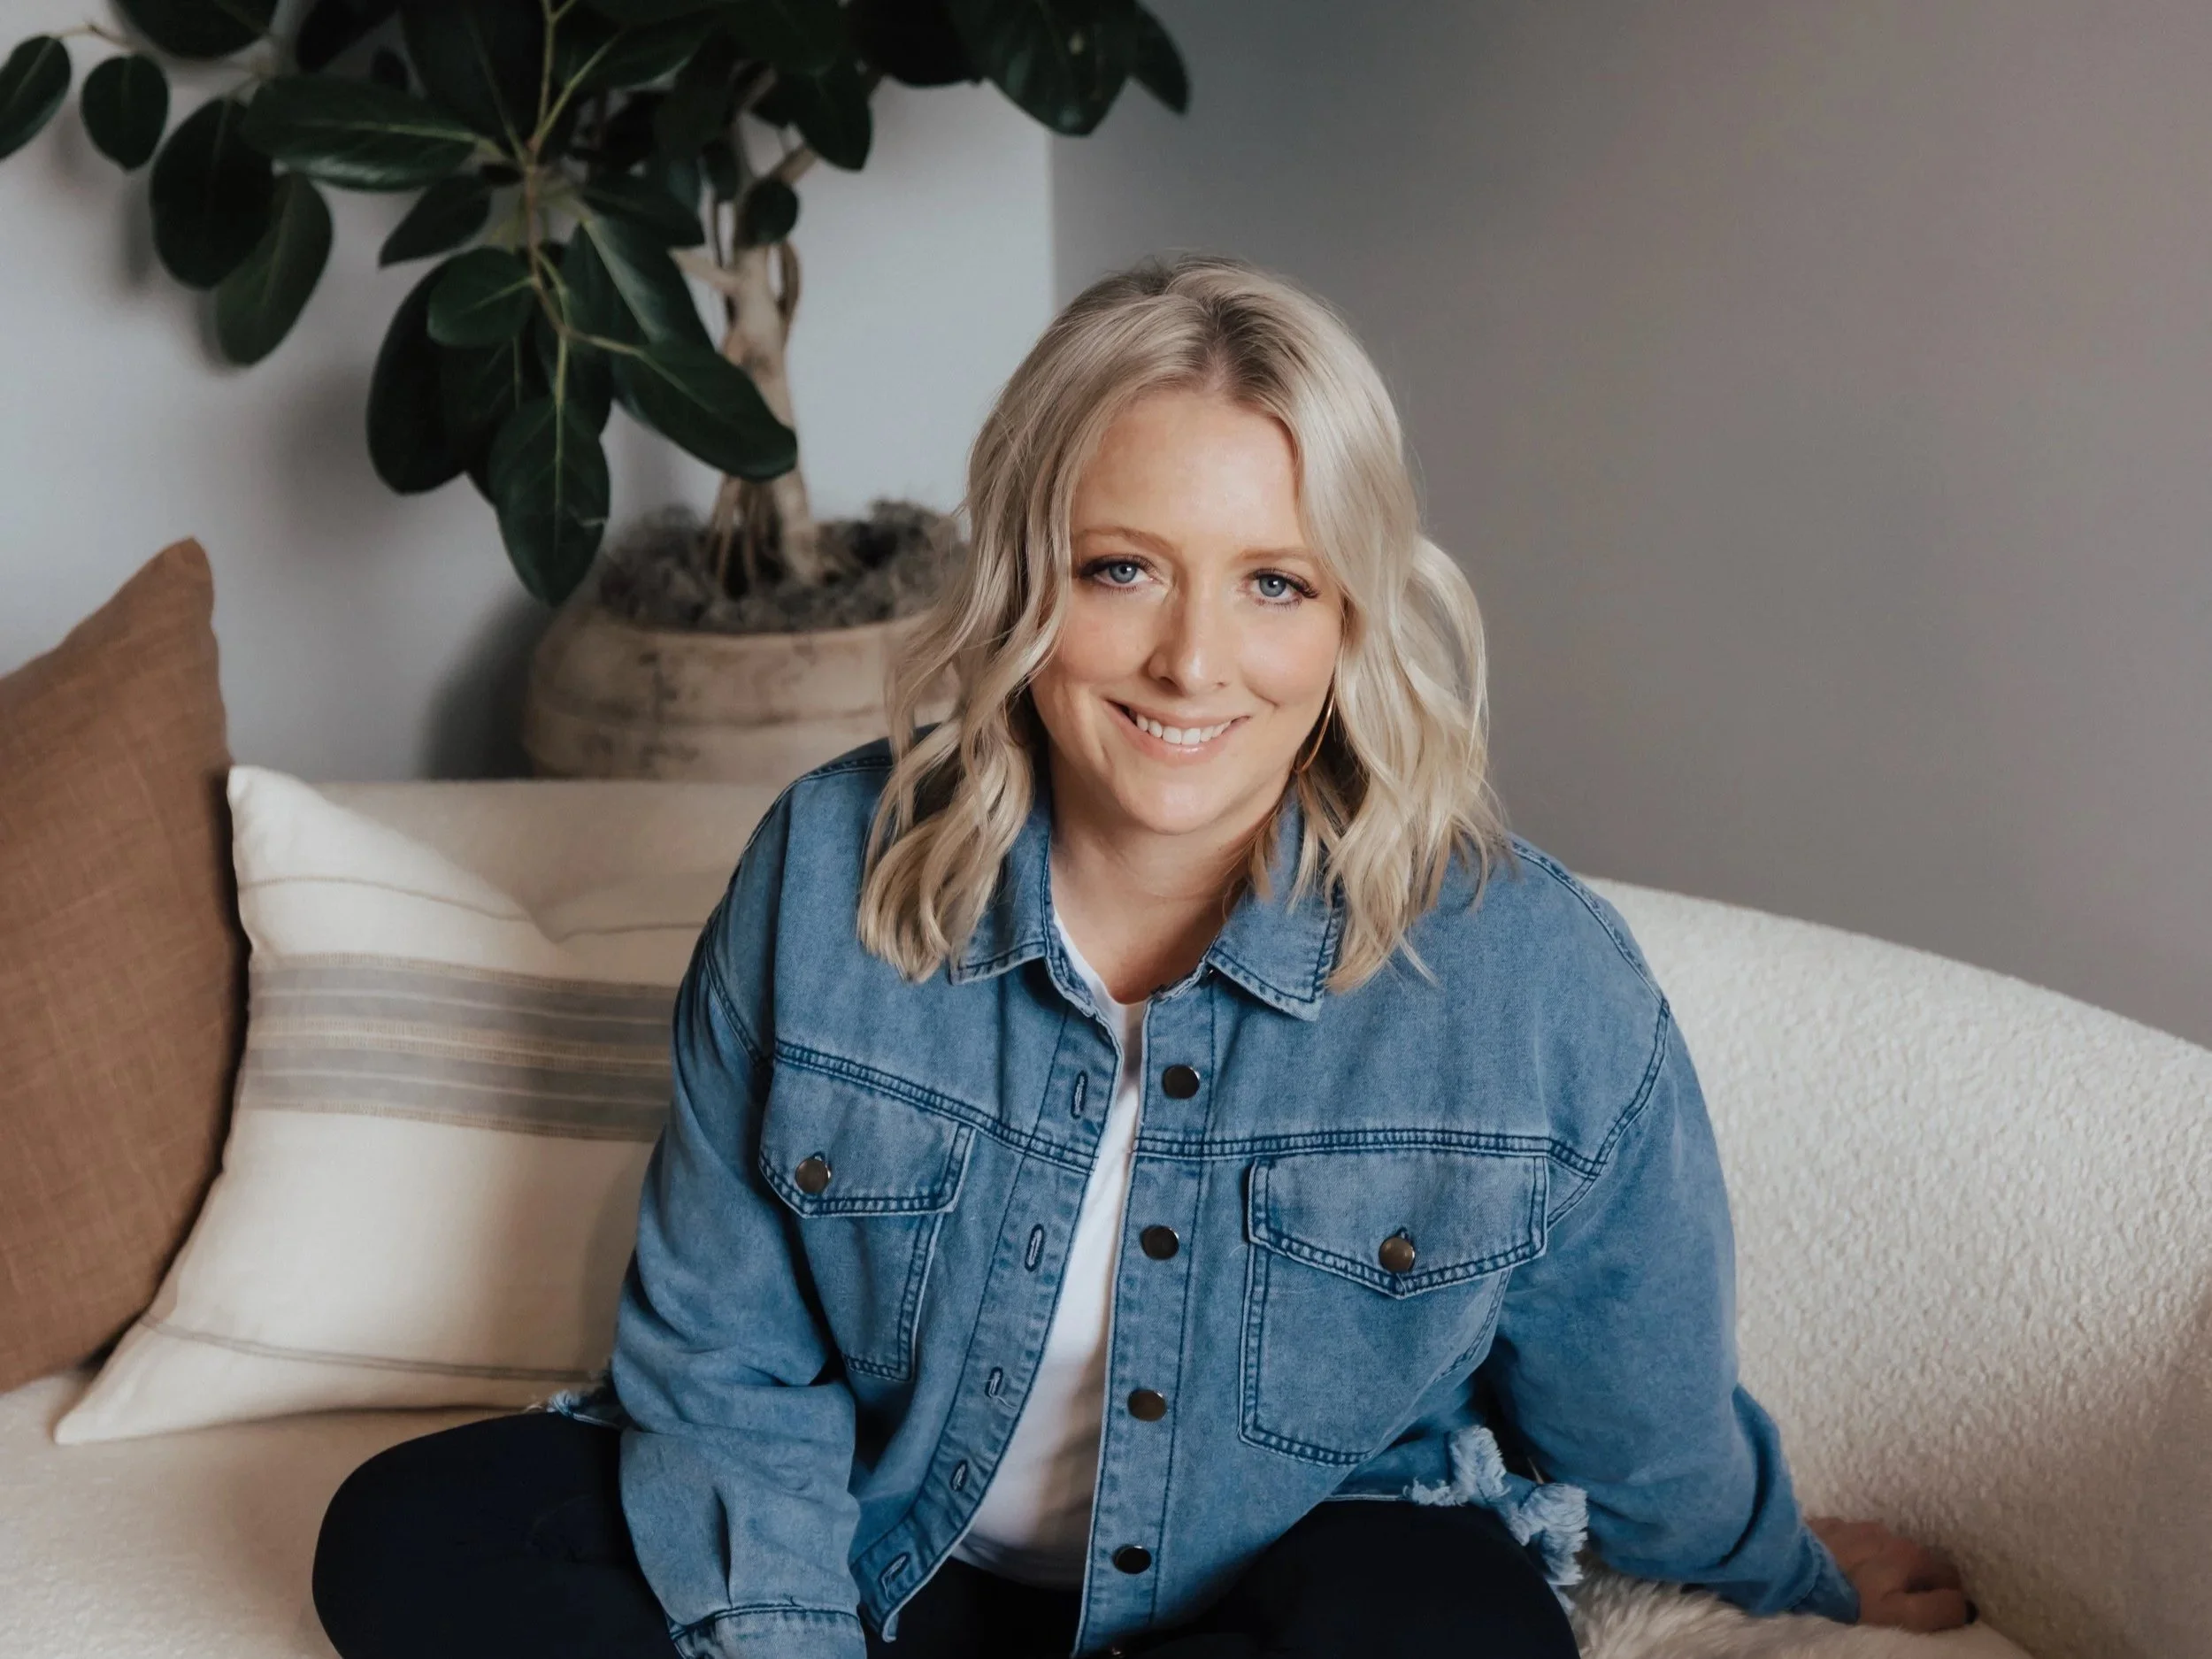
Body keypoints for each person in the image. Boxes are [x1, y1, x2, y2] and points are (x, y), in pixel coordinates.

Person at [310, 254, 1973, 1659]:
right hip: (904, 1554)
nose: (1193, 661)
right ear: (1027, 582)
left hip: (1286, 1573)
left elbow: (1640, 1404)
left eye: (1273, 583)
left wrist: (1785, 1564)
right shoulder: (830, 866)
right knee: (406, 1538)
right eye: (1124, 571)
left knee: (1458, 1632)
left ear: (1353, 617)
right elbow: (723, 1353)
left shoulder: (1534, 978)